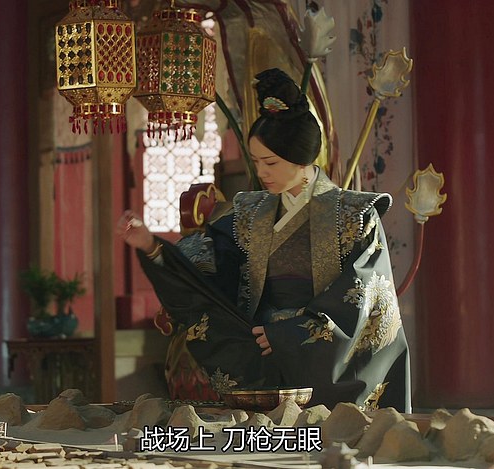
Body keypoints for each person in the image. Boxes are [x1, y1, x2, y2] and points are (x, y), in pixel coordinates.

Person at [117, 68, 410, 411]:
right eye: (256, 161)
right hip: (260, 351)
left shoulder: (354, 215)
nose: (261, 173)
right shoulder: (250, 212)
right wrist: (152, 247)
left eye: (270, 162)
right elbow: (208, 273)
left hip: (320, 357)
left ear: (302, 159)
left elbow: (363, 297)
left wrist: (289, 335)